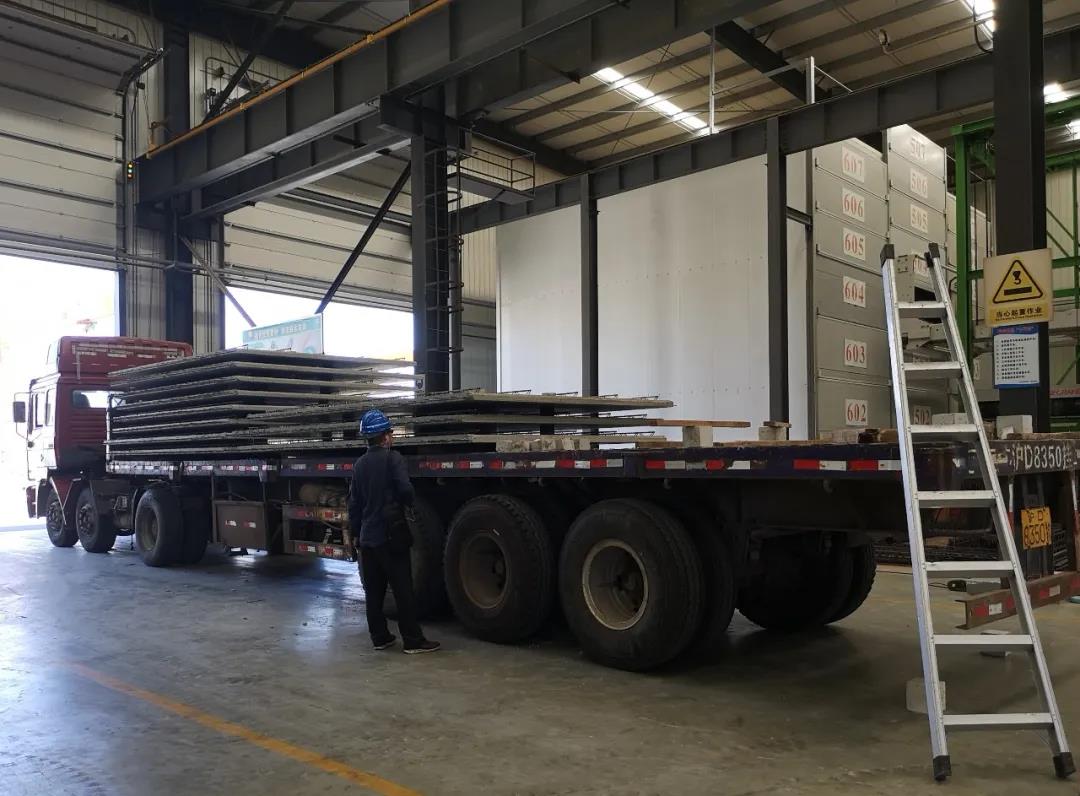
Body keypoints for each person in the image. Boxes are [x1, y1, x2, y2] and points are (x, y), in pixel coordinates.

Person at [347, 409, 440, 654]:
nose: (392, 436)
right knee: (402, 589)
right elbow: (405, 490)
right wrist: (405, 503)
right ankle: (412, 640)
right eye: (390, 432)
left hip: (368, 538)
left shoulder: (359, 465)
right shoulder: (393, 459)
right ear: (385, 437)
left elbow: (353, 504)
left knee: (374, 592)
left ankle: (380, 637)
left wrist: (355, 533)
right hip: (391, 535)